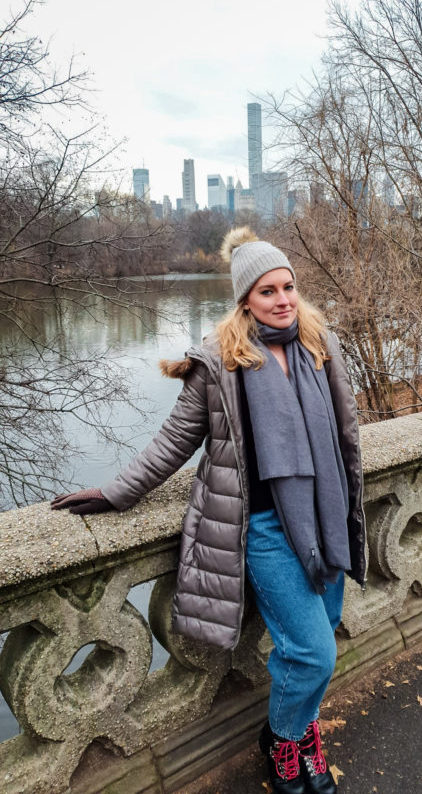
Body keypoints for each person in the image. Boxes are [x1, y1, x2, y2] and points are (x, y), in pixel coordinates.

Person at [52, 227, 367, 794]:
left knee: (319, 642)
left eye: (289, 286)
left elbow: (346, 433)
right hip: (265, 529)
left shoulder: (320, 344)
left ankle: (301, 736)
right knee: (313, 654)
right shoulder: (218, 364)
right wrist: (115, 492)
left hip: (325, 519)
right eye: (268, 291)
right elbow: (173, 442)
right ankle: (281, 739)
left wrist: (349, 510)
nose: (283, 299)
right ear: (245, 298)